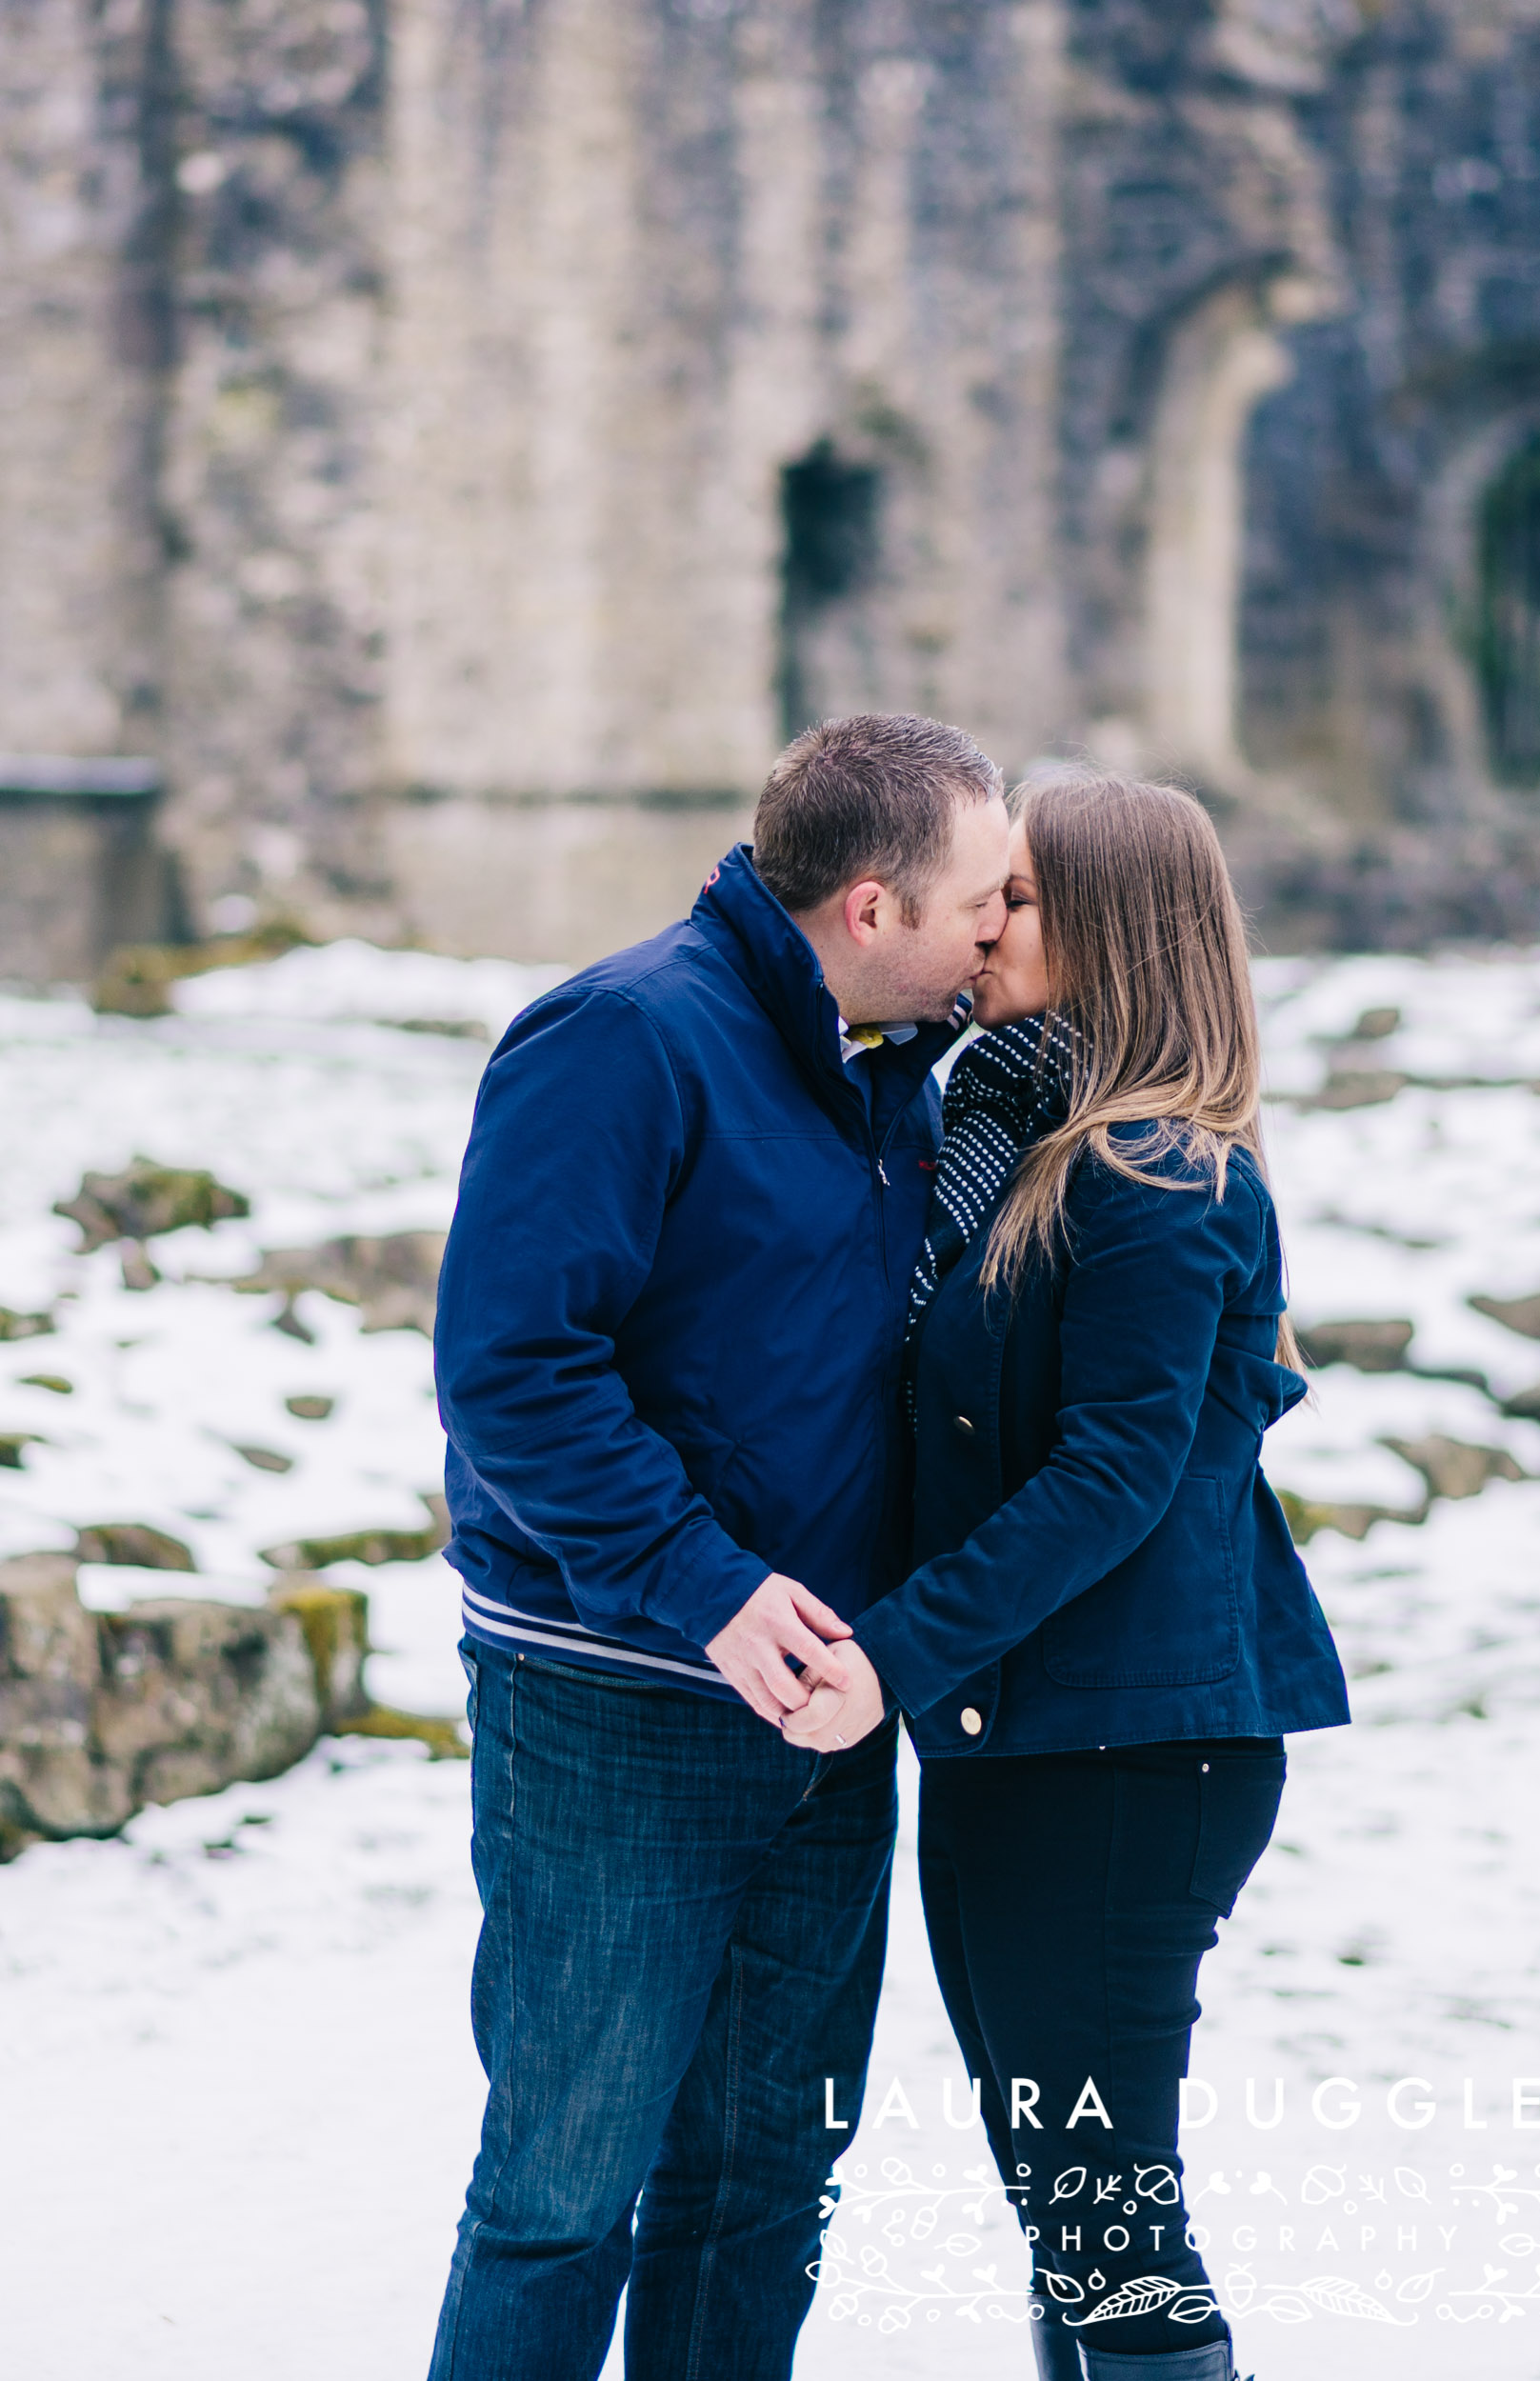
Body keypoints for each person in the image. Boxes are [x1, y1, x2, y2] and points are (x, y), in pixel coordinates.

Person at [426, 712, 1010, 2379]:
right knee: (563, 2192)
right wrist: (708, 1589)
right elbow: (511, 1373)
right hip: (618, 1708)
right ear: (875, 906)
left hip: (827, 1723)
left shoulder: (903, 1071)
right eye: (982, 898)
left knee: (763, 2186)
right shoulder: (622, 1039)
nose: (999, 928)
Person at [784, 770, 1351, 2381]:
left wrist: (887, 1656)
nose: (984, 919)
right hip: (1026, 1738)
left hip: (1124, 1753)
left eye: (1018, 897)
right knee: (1072, 2214)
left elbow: (1111, 1475)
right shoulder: (1019, 1132)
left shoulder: (1153, 1175)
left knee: (1109, 2230)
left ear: (1110, 924)